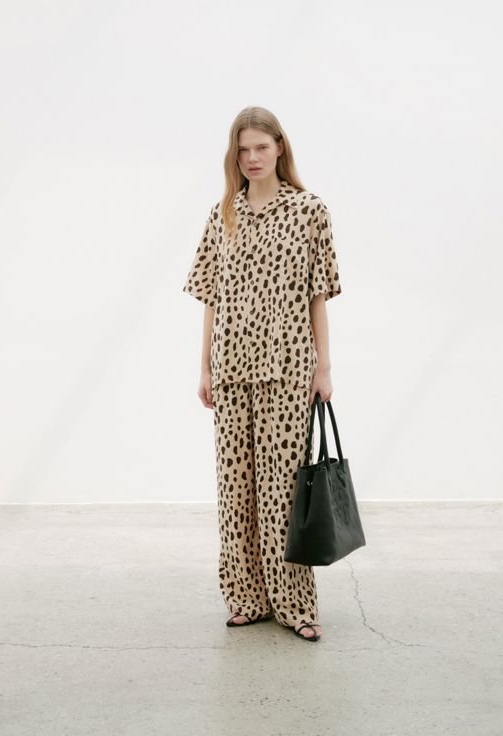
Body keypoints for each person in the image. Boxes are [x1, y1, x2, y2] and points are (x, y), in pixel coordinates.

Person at [182, 106, 342, 642]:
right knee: (236, 490)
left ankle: (294, 604)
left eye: (261, 147)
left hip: (289, 367)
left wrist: (323, 367)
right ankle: (246, 598)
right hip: (230, 368)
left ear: (279, 148)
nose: (252, 158)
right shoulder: (222, 214)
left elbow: (319, 296)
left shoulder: (309, 211)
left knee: (283, 492)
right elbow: (210, 296)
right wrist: (204, 365)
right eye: (243, 149)